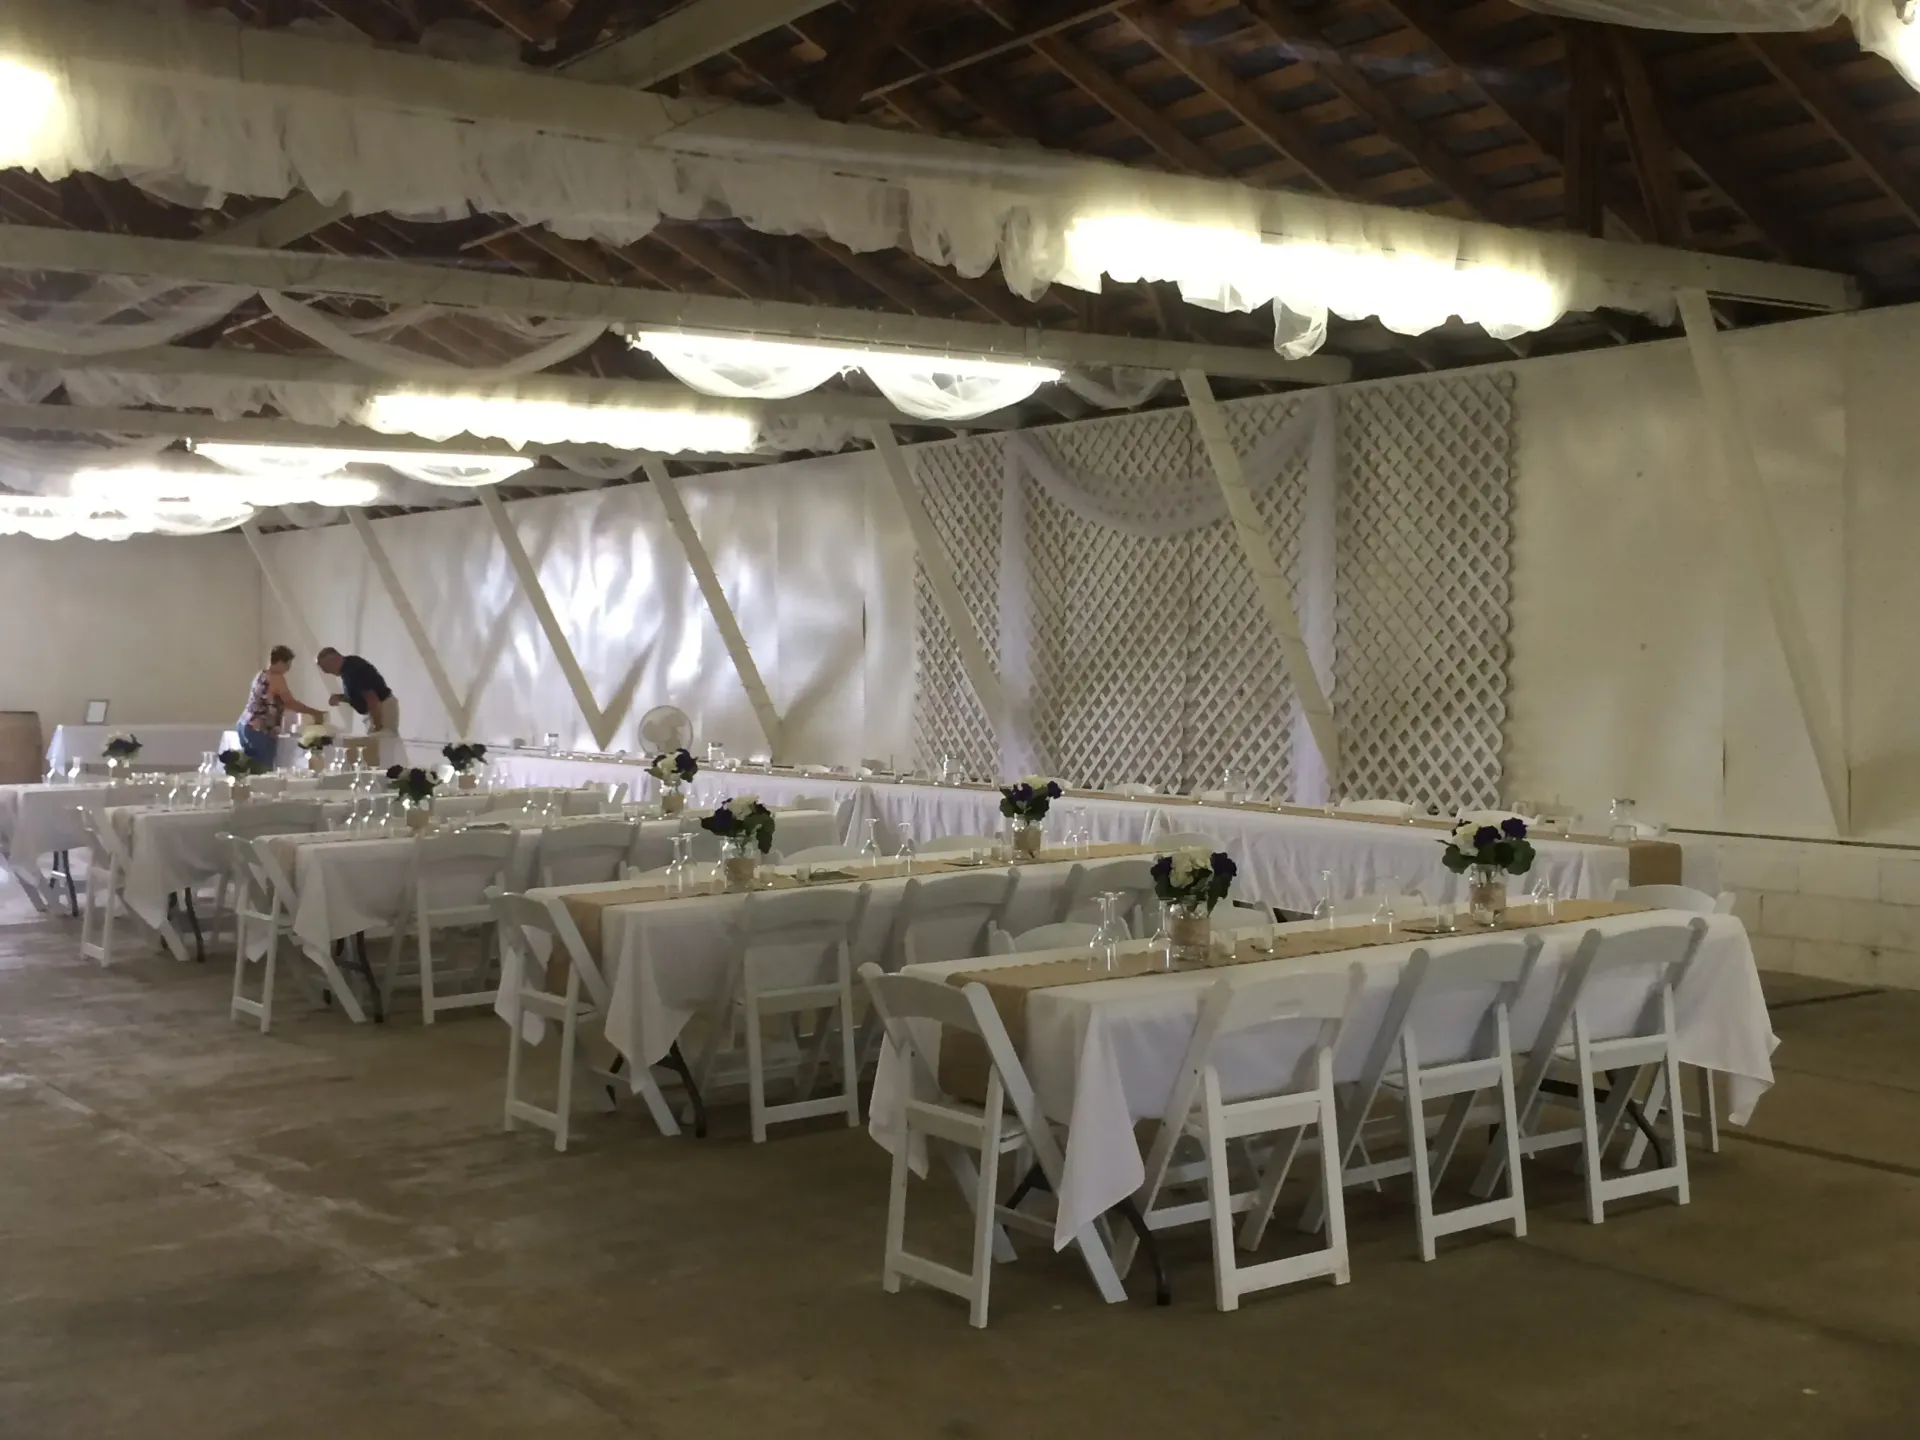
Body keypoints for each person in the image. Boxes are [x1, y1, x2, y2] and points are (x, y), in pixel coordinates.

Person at [237, 644, 328, 770]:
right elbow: (289, 703)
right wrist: (314, 712)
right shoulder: (276, 678)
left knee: (251, 767)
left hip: (245, 724)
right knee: (263, 769)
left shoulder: (260, 675)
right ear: (280, 662)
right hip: (260, 728)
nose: (288, 668)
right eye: (288, 664)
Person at [316, 646, 404, 768]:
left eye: (324, 667)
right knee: (374, 748)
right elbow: (359, 696)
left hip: (381, 709)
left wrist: (377, 725)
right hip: (375, 710)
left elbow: (371, 697)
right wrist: (340, 698)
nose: (325, 671)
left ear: (333, 660)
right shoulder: (347, 669)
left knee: (381, 746)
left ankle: (386, 774)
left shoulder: (353, 669)